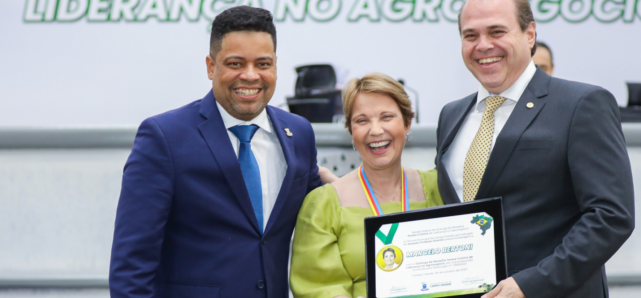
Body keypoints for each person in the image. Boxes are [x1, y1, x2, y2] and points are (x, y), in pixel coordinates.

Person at [109, 6, 323, 298]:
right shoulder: (164, 137)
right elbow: (131, 264)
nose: (250, 76)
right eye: (235, 63)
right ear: (211, 66)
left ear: (275, 66)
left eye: (263, 63)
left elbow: (321, 215)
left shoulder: (299, 133)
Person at [435, 0, 636, 297]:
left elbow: (611, 215)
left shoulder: (581, 104)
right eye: (471, 35)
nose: (483, 45)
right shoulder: (451, 115)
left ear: (530, 35)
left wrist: (531, 284)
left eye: (496, 31)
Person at [290, 73, 443, 298]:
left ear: (407, 123)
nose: (376, 130)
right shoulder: (323, 205)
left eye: (387, 117)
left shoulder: (438, 188)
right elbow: (319, 288)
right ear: (352, 132)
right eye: (362, 120)